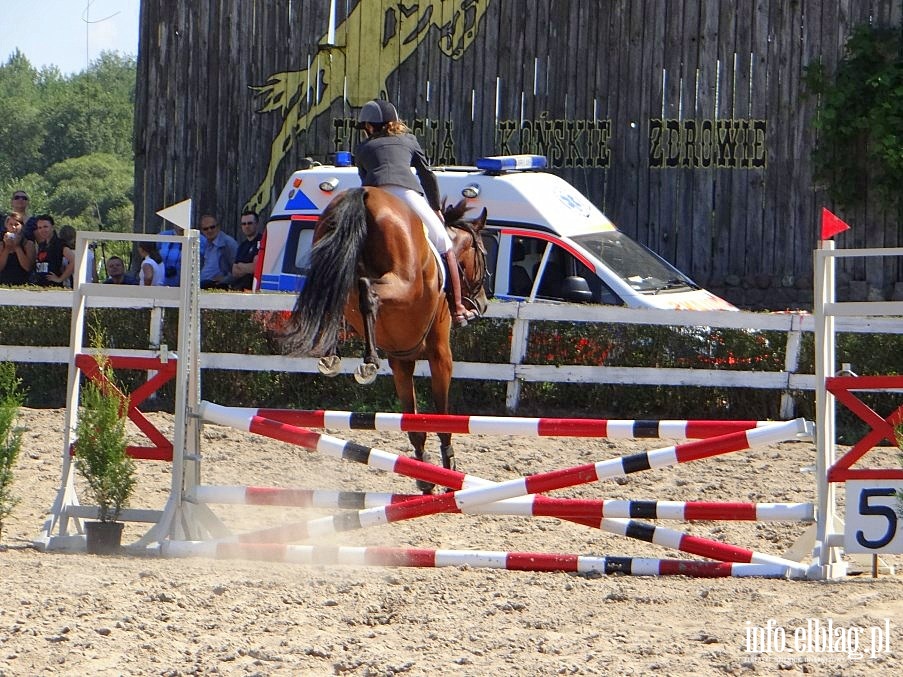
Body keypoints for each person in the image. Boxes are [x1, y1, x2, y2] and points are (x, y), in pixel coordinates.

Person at [354, 99, 477, 326]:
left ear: (370, 126)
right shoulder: (408, 140)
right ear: (393, 123)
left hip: (372, 195)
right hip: (405, 193)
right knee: (445, 244)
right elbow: (426, 174)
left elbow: (364, 179)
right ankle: (458, 307)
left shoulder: (362, 148)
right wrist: (436, 208)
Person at [198, 214, 238, 289]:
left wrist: (224, 280)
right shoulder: (205, 244)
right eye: (205, 229)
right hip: (202, 285)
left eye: (212, 227)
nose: (209, 230)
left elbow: (237, 271)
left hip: (218, 287)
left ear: (218, 227)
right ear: (202, 231)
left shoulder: (228, 243)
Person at [33, 215, 74, 287]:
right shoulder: (41, 245)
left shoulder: (60, 244)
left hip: (54, 287)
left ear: (52, 227)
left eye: (45, 227)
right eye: (40, 227)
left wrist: (60, 279)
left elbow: (74, 261)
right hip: (40, 286)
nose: (42, 230)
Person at [226, 210, 262, 290]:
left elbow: (256, 267)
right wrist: (248, 267)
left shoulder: (262, 242)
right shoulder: (242, 246)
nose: (246, 226)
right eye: (243, 224)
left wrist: (241, 265)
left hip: (254, 288)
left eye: (249, 223)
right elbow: (234, 271)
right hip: (238, 287)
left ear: (256, 224)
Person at [0, 211, 36, 285]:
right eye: (11, 224)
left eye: (16, 224)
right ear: (6, 226)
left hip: (23, 283)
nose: (13, 227)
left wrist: (17, 247)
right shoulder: (1, 244)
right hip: (3, 283)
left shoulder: (28, 244)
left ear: (22, 226)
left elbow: (28, 267)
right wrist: (6, 249)